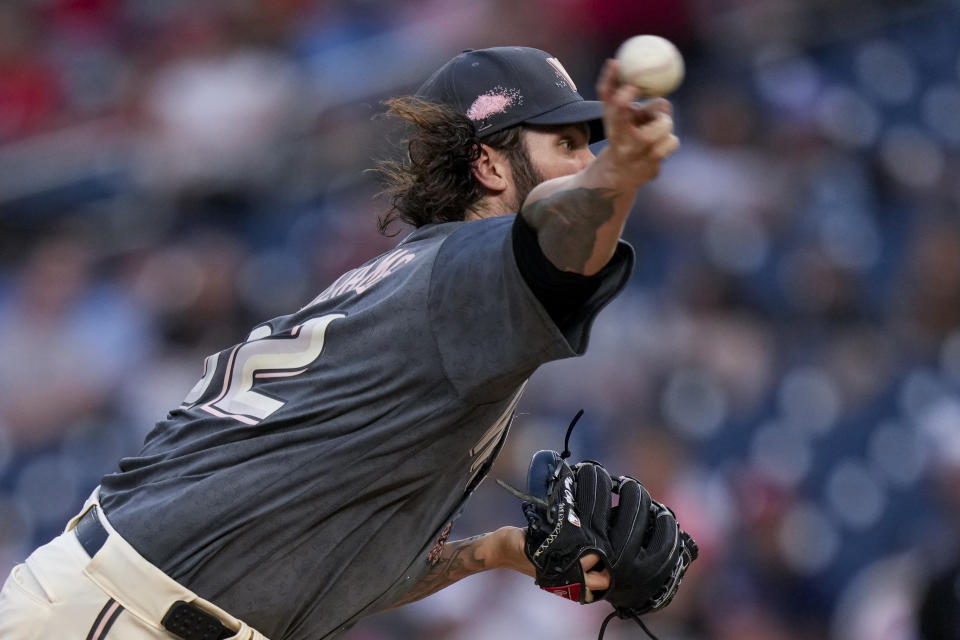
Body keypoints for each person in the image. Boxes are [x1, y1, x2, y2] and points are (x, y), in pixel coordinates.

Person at [0, 45, 679, 640]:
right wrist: (614, 175)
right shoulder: (471, 268)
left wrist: (495, 551)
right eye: (565, 144)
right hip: (124, 616)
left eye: (591, 146)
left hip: (123, 600)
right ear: (491, 167)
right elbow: (554, 238)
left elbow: (333, 563)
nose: (585, 160)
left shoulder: (422, 290)